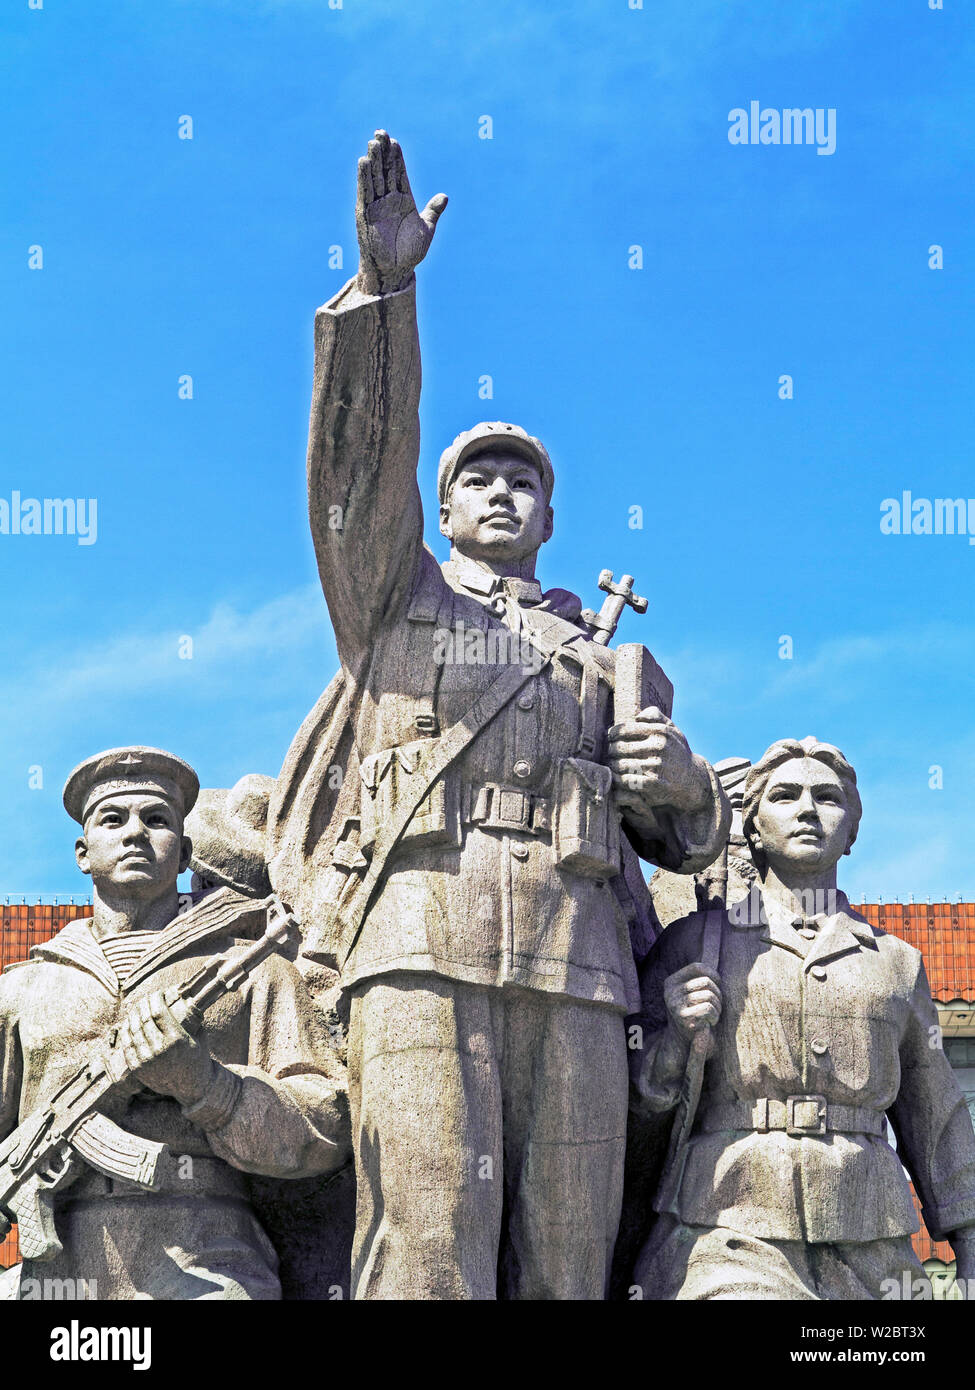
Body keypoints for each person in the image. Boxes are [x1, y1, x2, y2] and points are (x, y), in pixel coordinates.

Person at [266, 131, 730, 1299]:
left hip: (579, 962)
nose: (504, 492)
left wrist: (677, 780)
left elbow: (686, 838)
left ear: (551, 519)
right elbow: (354, 477)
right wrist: (386, 296)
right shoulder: (393, 597)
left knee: (569, 1248)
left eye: (525, 481)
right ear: (440, 510)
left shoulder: (606, 657)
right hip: (418, 940)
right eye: (479, 478)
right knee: (428, 1232)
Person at [629, 735, 975, 1300]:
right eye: (785, 795)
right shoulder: (695, 944)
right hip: (728, 1230)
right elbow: (629, 1099)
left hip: (872, 1235)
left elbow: (936, 1110)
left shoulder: (895, 963)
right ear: (753, 825)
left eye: (828, 798)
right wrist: (674, 1039)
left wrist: (968, 1231)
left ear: (852, 830)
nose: (808, 810)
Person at [0, 746, 349, 1300]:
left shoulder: (254, 970)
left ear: (185, 853)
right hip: (56, 1272)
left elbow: (328, 1128)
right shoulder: (22, 990)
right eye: (112, 819)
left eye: (157, 819)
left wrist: (207, 1086)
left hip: (209, 1258)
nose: (135, 833)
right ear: (82, 853)